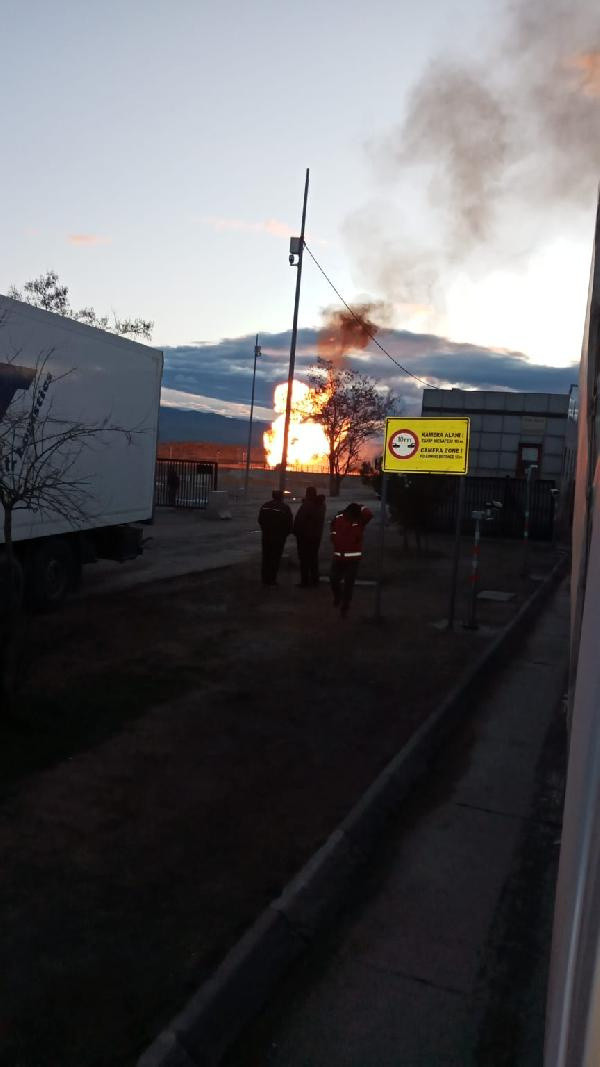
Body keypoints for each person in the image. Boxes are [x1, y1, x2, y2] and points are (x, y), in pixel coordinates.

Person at [329, 501, 373, 615]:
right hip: (338, 557)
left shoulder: (360, 520)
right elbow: (332, 527)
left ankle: (345, 605)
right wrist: (333, 537)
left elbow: (369, 513)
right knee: (333, 579)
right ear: (347, 512)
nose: (352, 518)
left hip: (353, 560)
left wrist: (360, 506)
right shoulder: (338, 518)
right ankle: (338, 596)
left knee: (349, 583)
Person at [258, 489, 293, 586]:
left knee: (266, 557)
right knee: (275, 558)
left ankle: (264, 579)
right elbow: (289, 523)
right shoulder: (285, 508)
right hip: (278, 538)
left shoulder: (265, 506)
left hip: (266, 536)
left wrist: (265, 530)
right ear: (281, 497)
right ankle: (272, 579)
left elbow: (260, 520)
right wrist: (285, 534)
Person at [293, 486, 326, 588]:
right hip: (316, 536)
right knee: (313, 558)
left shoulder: (307, 505)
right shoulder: (321, 505)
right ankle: (315, 579)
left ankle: (305, 581)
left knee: (304, 559)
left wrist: (295, 531)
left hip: (305, 536)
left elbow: (300, 520)